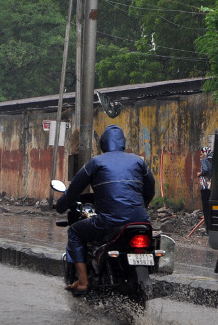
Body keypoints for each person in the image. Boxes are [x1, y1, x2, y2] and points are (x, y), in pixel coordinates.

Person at [56, 124, 156, 294]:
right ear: (123, 143)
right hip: (141, 221)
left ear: (103, 144)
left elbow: (73, 191)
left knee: (74, 232)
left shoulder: (96, 162)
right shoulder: (138, 161)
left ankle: (82, 281)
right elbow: (150, 189)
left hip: (109, 222)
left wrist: (60, 206)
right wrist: (142, 207)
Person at [197, 146, 212, 226]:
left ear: (205, 153)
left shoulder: (203, 160)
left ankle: (207, 227)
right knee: (209, 208)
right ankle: (210, 225)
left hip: (205, 186)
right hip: (210, 187)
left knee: (205, 208)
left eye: (201, 153)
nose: (200, 155)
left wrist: (200, 173)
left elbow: (205, 170)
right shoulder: (211, 161)